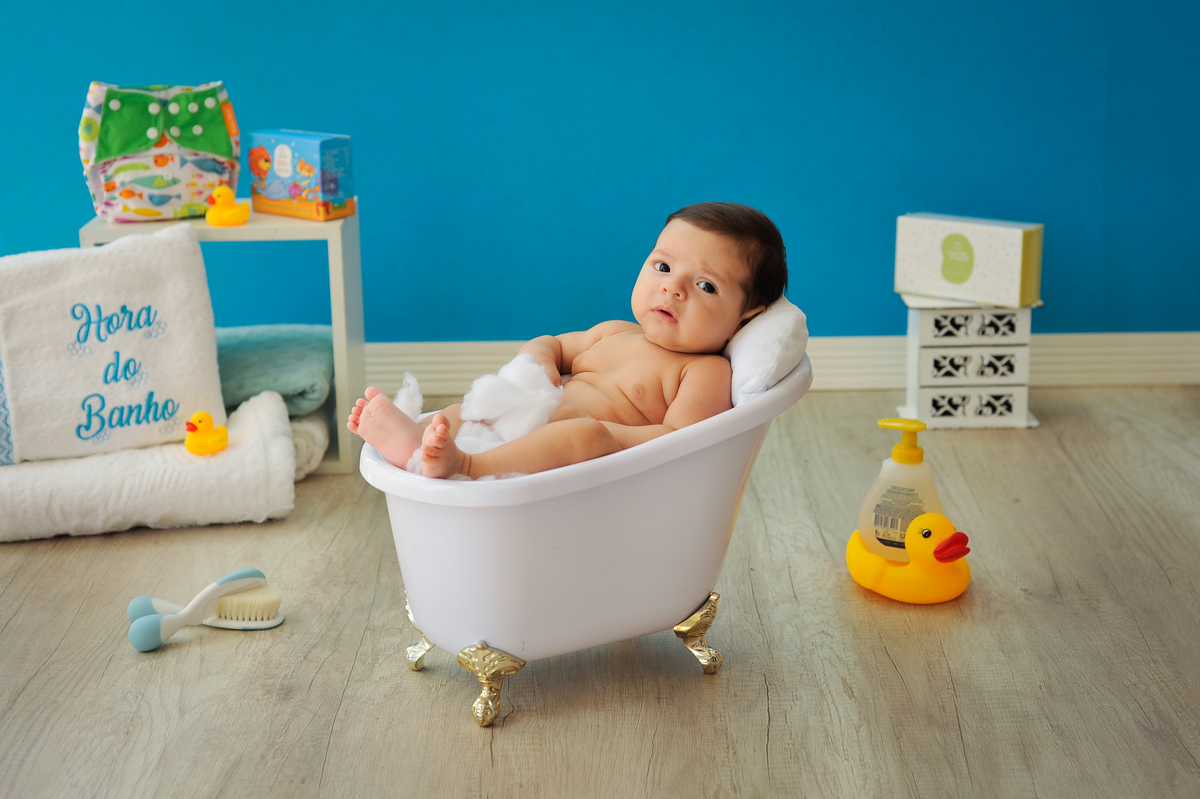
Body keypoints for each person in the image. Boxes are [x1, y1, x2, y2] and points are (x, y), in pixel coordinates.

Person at [348, 201, 788, 479]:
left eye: (706, 286)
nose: (673, 288)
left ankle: (466, 466)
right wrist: (540, 361)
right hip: (524, 423)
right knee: (468, 410)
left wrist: (606, 434)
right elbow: (551, 344)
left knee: (584, 434)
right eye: (663, 267)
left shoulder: (705, 370)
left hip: (577, 462)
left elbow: (678, 442)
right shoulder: (615, 332)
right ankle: (416, 443)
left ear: (746, 316)